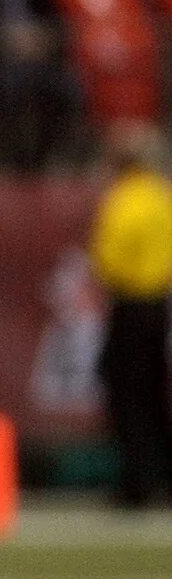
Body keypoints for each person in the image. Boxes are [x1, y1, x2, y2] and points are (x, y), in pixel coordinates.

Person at [90, 124, 172, 508]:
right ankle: (160, 477)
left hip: (131, 305)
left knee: (128, 396)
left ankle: (138, 482)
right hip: (161, 305)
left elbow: (110, 259)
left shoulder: (125, 200)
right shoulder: (161, 196)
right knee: (157, 394)